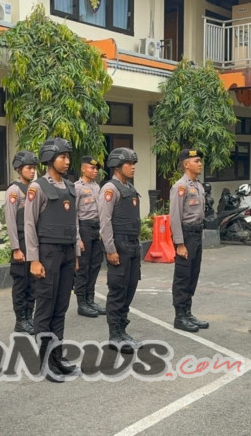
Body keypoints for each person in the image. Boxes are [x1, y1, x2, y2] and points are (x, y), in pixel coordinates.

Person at [24, 137, 81, 383]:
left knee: (61, 307)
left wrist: (76, 254)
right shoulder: (37, 188)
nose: (67, 161)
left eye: (68, 157)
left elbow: (75, 223)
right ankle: (45, 361)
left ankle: (57, 356)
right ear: (49, 159)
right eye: (62, 157)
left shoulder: (71, 187)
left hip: (67, 253)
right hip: (47, 253)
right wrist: (33, 259)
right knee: (45, 309)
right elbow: (29, 224)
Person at [99, 148, 141, 353]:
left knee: (129, 289)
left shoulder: (129, 188)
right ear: (117, 166)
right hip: (120, 246)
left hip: (133, 245)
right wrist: (110, 249)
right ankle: (114, 334)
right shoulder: (110, 189)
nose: (133, 167)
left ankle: (122, 330)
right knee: (117, 290)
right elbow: (105, 222)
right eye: (129, 163)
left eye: (134, 163)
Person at [169, 149, 210, 333]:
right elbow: (175, 217)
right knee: (183, 276)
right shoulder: (180, 186)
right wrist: (179, 243)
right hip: (185, 235)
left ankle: (188, 311)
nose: (200, 164)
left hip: (196, 234)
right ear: (186, 164)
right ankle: (180, 316)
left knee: (193, 274)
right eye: (196, 161)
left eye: (200, 161)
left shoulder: (198, 186)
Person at [4, 150, 38, 334]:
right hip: (21, 242)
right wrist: (16, 248)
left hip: (33, 242)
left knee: (33, 282)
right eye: (28, 168)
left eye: (34, 168)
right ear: (19, 169)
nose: (32, 171)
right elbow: (10, 221)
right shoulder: (14, 191)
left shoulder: (34, 188)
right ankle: (21, 320)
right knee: (21, 283)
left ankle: (29, 316)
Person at [73, 155, 106, 318]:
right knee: (83, 267)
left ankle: (90, 299)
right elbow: (74, 215)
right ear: (83, 168)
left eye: (96, 169)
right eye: (92, 168)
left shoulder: (97, 187)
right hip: (84, 228)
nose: (94, 171)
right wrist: (77, 238)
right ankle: (82, 303)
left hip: (97, 229)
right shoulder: (77, 187)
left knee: (95, 265)